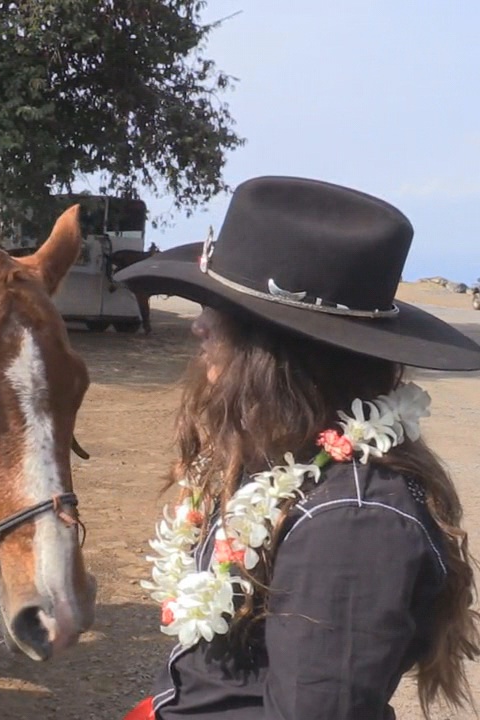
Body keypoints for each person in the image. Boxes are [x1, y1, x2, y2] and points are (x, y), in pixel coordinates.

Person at [114, 176, 480, 720]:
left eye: (221, 310)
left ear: (281, 348)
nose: (198, 326)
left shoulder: (352, 523)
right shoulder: (283, 455)